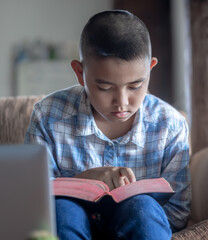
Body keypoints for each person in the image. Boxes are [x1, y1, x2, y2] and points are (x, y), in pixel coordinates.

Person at [25, 10, 191, 240]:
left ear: (150, 69)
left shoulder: (170, 126)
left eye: (135, 86)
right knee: (62, 211)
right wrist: (85, 178)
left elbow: (178, 212)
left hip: (137, 224)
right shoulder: (48, 116)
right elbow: (33, 202)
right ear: (80, 73)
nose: (121, 102)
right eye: (105, 88)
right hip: (70, 223)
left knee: (144, 208)